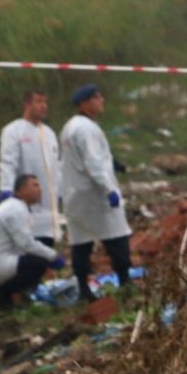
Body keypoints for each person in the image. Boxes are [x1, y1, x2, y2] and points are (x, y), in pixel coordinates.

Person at [59, 84, 133, 302]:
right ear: (84, 103)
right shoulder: (86, 129)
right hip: (94, 195)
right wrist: (109, 189)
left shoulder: (71, 127)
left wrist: (114, 163)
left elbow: (80, 158)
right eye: (96, 97)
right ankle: (125, 283)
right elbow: (93, 162)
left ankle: (84, 289)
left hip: (75, 195)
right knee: (117, 237)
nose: (102, 100)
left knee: (81, 242)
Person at [0, 174, 66, 310]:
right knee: (38, 265)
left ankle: (0, 293)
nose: (39, 190)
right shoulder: (15, 209)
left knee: (34, 260)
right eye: (35, 185)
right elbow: (26, 244)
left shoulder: (15, 207)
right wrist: (53, 256)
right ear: (21, 191)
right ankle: (1, 295)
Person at [0, 89, 63, 245]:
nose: (44, 106)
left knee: (46, 246)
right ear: (27, 104)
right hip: (25, 203)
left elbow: (56, 167)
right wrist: (6, 188)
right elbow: (8, 162)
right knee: (28, 247)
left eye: (45, 102)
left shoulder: (49, 133)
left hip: (48, 204)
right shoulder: (13, 131)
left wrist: (60, 192)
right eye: (39, 101)